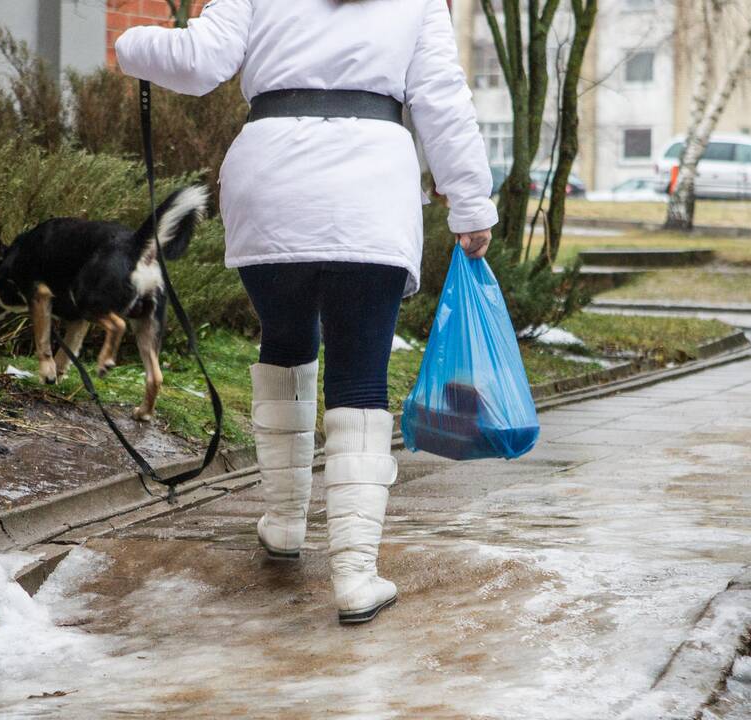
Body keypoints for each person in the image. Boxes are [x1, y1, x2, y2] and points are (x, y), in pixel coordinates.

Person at [116, 0, 496, 625]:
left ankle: (286, 525)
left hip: (271, 185)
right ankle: (354, 576)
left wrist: (131, 46)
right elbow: (441, 101)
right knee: (361, 376)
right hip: (370, 193)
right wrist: (471, 205)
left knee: (285, 338)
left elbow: (199, 60)